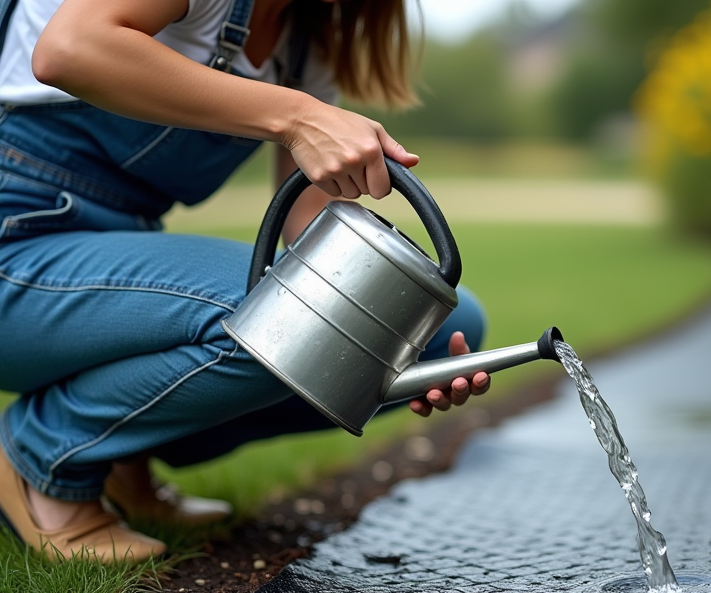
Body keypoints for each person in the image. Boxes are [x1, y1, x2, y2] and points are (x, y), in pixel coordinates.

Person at [0, 0, 490, 563]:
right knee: (296, 314)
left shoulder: (307, 37)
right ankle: (44, 453)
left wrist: (393, 328)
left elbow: (307, 220)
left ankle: (122, 459)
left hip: (94, 263)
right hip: (16, 248)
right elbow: (69, 49)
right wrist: (295, 115)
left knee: (442, 325)